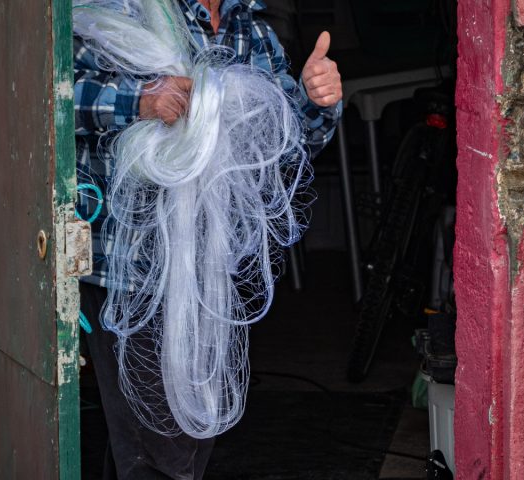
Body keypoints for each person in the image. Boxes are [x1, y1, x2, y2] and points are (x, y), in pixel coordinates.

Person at [74, 0, 343, 478]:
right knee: (159, 450)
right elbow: (53, 95)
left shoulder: (251, 30)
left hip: (210, 272)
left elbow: (284, 141)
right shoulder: (125, 11)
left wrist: (316, 100)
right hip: (132, 269)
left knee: (191, 440)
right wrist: (140, 101)